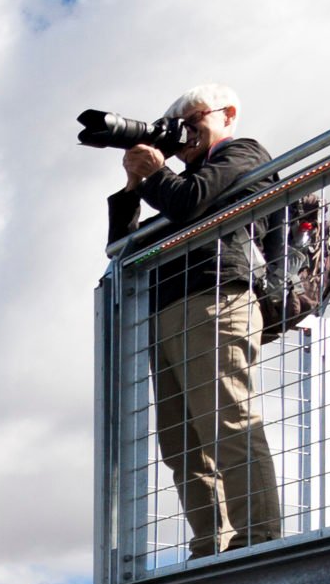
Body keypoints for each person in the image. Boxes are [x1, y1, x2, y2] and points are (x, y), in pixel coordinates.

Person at [109, 83, 281, 559]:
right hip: (166, 308)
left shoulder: (244, 153)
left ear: (227, 114)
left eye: (192, 120)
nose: (183, 133)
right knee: (181, 444)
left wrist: (158, 174)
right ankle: (212, 545)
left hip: (215, 296)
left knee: (228, 422)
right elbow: (120, 249)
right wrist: (133, 187)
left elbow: (191, 200)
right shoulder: (177, 182)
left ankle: (259, 541)